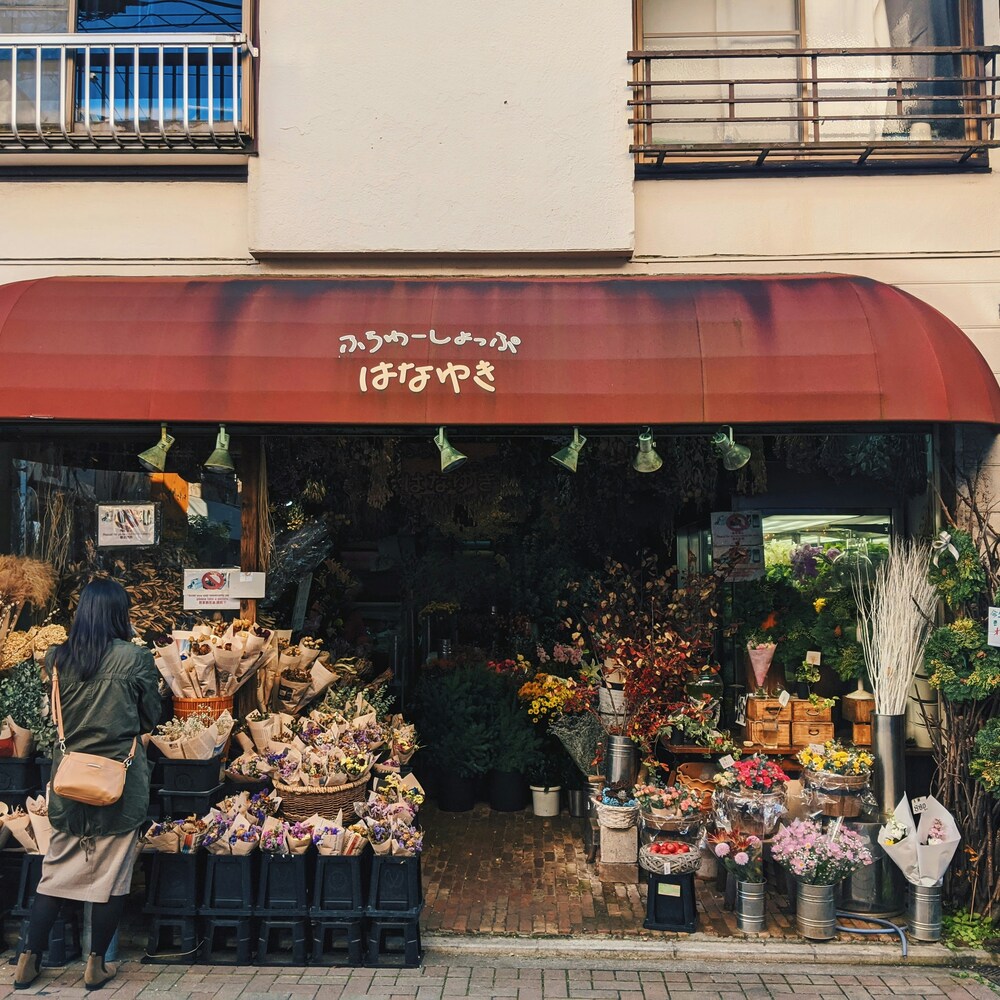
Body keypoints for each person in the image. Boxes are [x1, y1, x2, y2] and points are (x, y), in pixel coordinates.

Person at [15, 578, 161, 991]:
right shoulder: (136, 659)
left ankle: (28, 960)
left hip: (69, 781)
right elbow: (149, 718)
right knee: (113, 877)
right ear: (120, 613)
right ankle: (96, 966)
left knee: (55, 873)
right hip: (120, 782)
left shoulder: (56, 659)